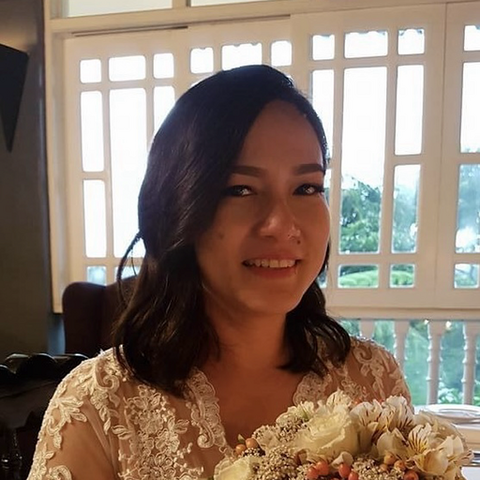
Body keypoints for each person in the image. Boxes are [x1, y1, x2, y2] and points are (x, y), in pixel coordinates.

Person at [28, 65, 411, 480]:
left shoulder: (372, 380)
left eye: (307, 187)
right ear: (180, 207)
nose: (282, 224)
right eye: (240, 189)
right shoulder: (99, 405)